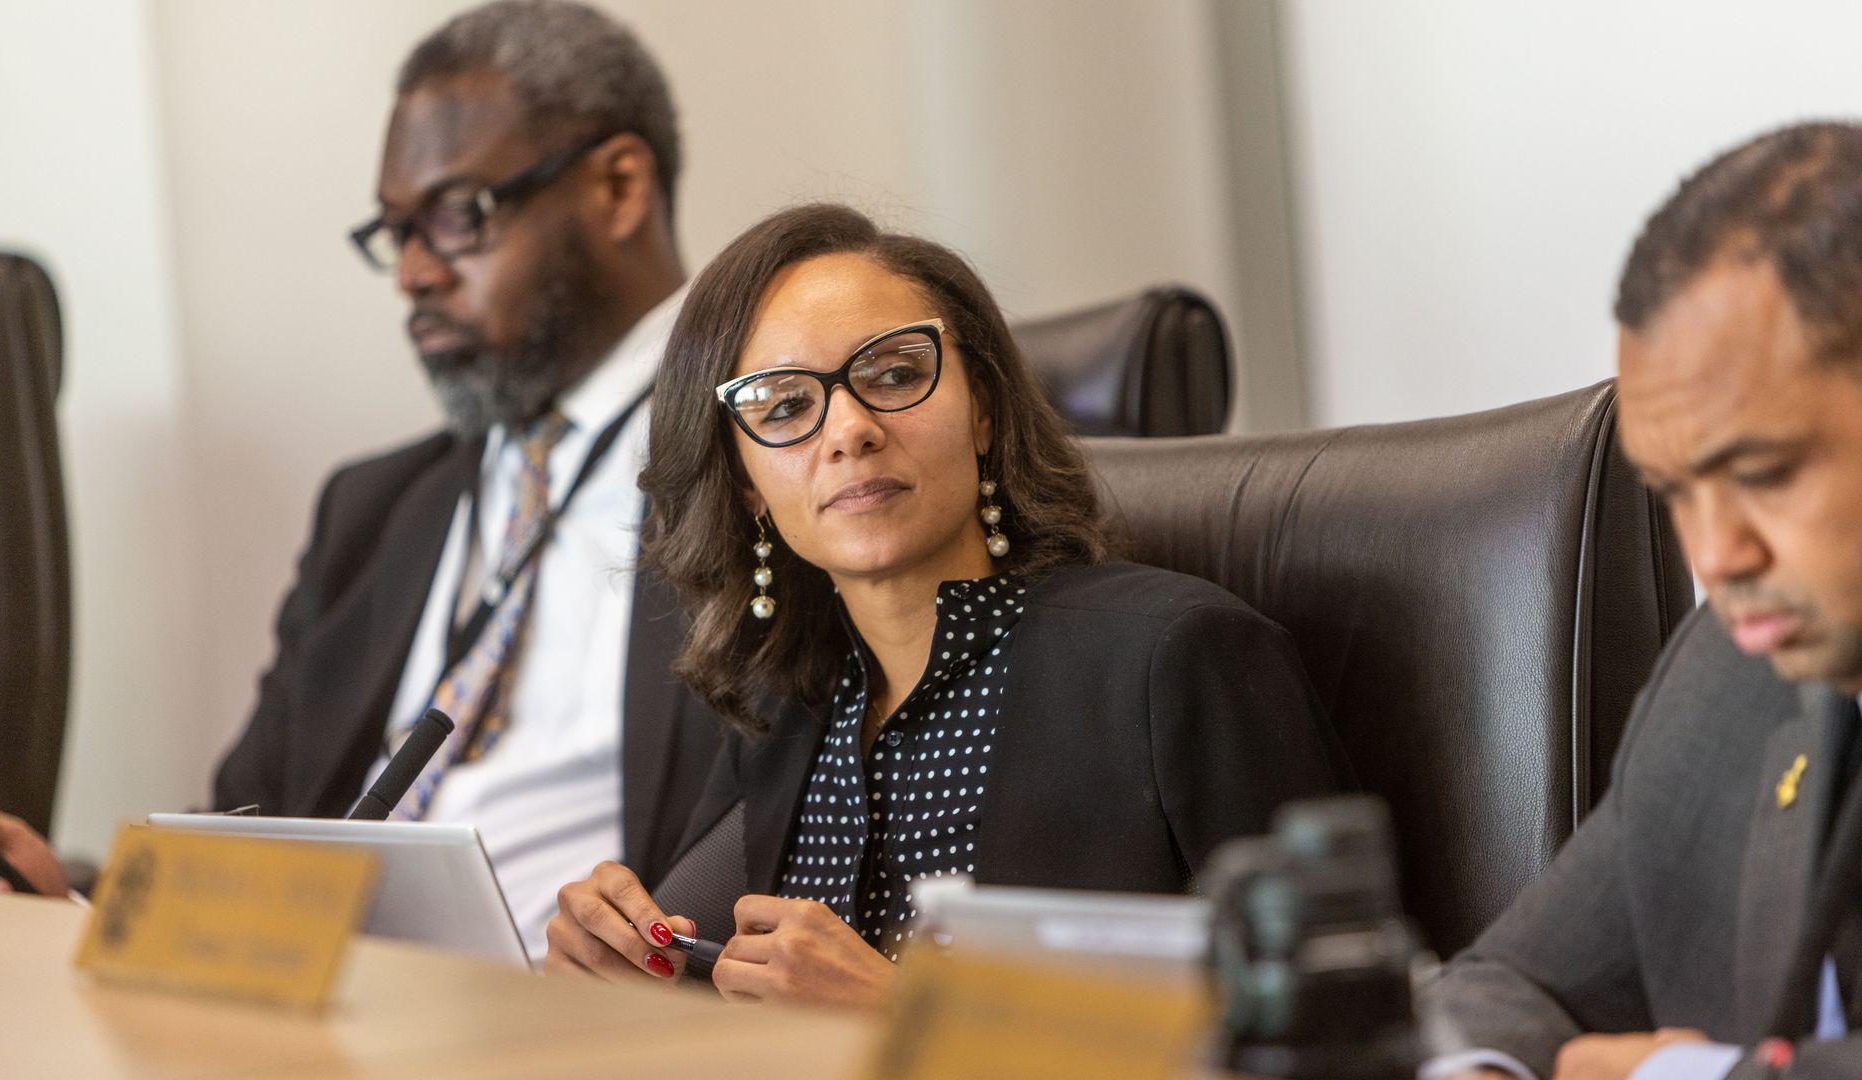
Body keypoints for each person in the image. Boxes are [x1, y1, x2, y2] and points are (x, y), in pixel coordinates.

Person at [0, 0, 722, 962]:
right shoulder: (375, 511)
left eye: (456, 215)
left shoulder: (773, 454)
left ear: (616, 187)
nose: (413, 275)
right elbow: (247, 813)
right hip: (311, 1011)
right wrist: (78, 907)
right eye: (396, 233)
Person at [541, 203, 1343, 1004]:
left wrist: (907, 1015)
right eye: (784, 406)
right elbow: (688, 963)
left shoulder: (1178, 656)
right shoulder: (786, 704)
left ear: (984, 409)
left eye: (894, 374)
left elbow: (1337, 1025)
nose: (849, 430)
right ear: (746, 480)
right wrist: (620, 956)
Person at [1429, 121, 1862, 1080]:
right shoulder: (1725, 669)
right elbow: (1503, 983)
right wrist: (1485, 1072)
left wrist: (1666, 1078)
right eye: (1673, 491)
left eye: (1763, 472)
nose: (1716, 554)